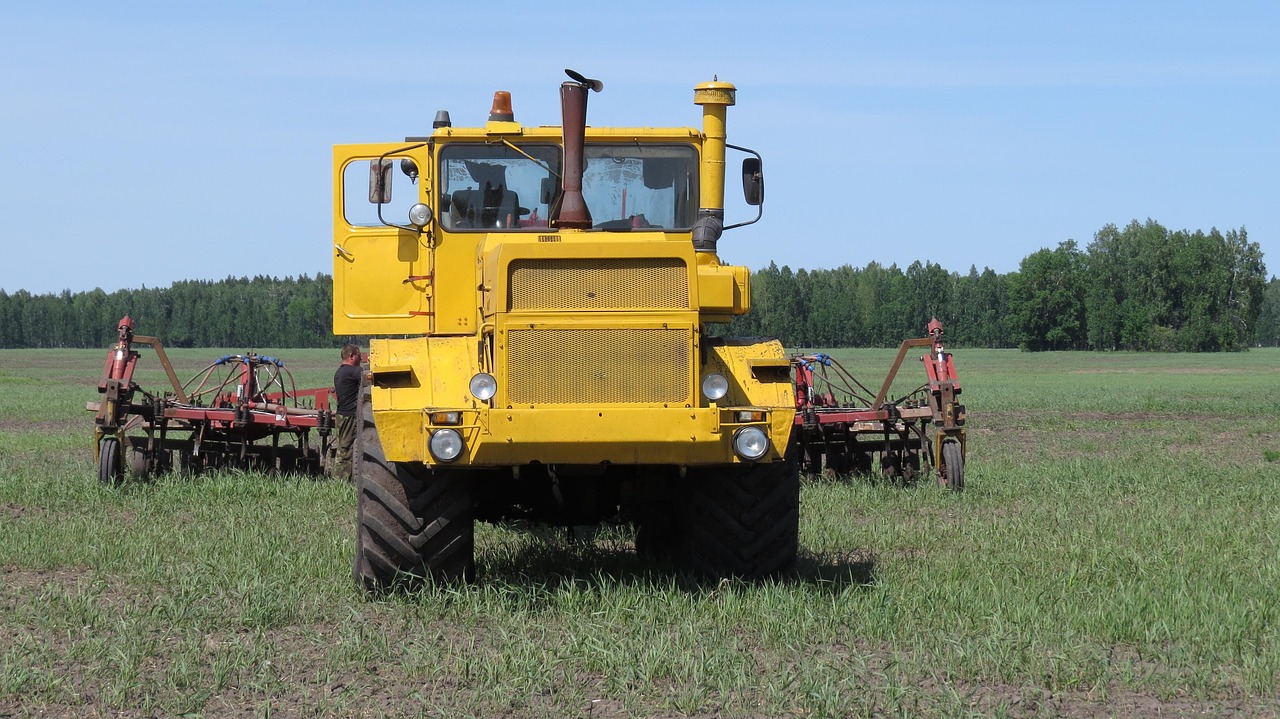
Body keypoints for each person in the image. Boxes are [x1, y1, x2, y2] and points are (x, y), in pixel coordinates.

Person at [332, 343, 362, 481]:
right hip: (349, 416)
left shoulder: (340, 372)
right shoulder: (352, 372)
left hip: (342, 415)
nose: (361, 359)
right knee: (345, 450)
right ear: (351, 356)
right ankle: (340, 480)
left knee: (344, 448)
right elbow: (369, 376)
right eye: (359, 356)